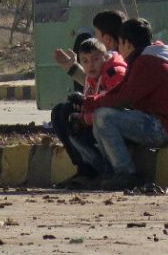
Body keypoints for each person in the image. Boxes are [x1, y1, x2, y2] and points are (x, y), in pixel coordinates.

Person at [71, 18, 168, 190]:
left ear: (127, 43)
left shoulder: (146, 62)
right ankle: (110, 172)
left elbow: (124, 98)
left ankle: (127, 173)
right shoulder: (144, 59)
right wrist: (89, 102)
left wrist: (91, 104)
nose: (118, 49)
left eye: (120, 44)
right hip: (156, 123)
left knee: (104, 117)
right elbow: (121, 91)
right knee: (100, 115)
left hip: (166, 128)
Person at [50, 10, 127, 188]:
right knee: (62, 111)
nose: (95, 37)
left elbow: (112, 94)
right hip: (100, 113)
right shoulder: (105, 59)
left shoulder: (116, 65)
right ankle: (85, 170)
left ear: (106, 40)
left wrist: (86, 114)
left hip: (114, 119)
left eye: (96, 34)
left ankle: (93, 171)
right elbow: (93, 80)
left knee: (69, 114)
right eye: (86, 60)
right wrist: (71, 67)